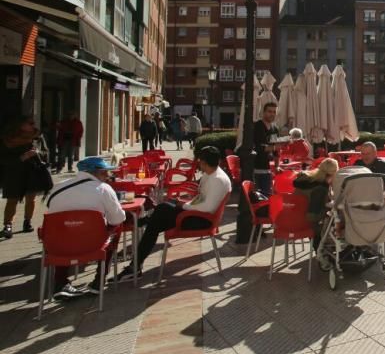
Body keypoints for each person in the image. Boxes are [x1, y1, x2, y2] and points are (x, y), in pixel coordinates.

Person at [118, 146, 231, 281]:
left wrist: (184, 206)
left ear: (205, 162)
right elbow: (200, 198)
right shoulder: (209, 174)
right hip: (195, 212)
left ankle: (142, 227)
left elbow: (208, 207)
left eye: (200, 161)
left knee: (160, 213)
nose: (198, 164)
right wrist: (183, 204)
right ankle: (136, 261)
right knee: (160, 214)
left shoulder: (218, 180)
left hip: (202, 219)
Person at [43, 156, 126, 298]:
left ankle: (60, 282)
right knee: (116, 228)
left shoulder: (57, 187)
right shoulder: (103, 189)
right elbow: (118, 218)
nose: (108, 176)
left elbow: (49, 207)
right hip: (92, 244)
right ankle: (99, 280)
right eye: (104, 172)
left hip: (57, 245)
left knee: (65, 231)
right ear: (94, 172)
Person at [1, 115, 49, 237]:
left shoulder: (37, 137)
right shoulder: (9, 137)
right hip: (14, 172)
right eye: (30, 123)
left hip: (32, 171)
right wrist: (23, 157)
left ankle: (27, 222)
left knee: (31, 199)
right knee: (12, 199)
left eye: (33, 123)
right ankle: (8, 225)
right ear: (21, 124)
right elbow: (4, 158)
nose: (33, 126)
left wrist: (38, 153)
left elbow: (46, 152)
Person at [292, 158, 339, 250]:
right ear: (333, 174)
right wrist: (327, 210)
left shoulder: (305, 180)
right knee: (335, 224)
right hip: (305, 223)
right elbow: (312, 217)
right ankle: (324, 255)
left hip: (289, 219)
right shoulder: (320, 188)